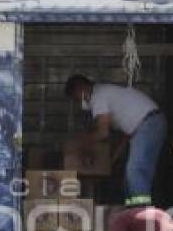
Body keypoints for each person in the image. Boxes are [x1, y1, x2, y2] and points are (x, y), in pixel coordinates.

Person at [64, 74, 167, 207]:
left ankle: (142, 214)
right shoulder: (105, 94)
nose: (78, 102)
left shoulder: (98, 97)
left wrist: (78, 143)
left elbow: (102, 133)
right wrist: (112, 159)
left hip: (149, 124)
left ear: (80, 89)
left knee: (135, 171)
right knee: (131, 176)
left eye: (75, 97)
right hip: (146, 126)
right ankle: (133, 211)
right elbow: (127, 133)